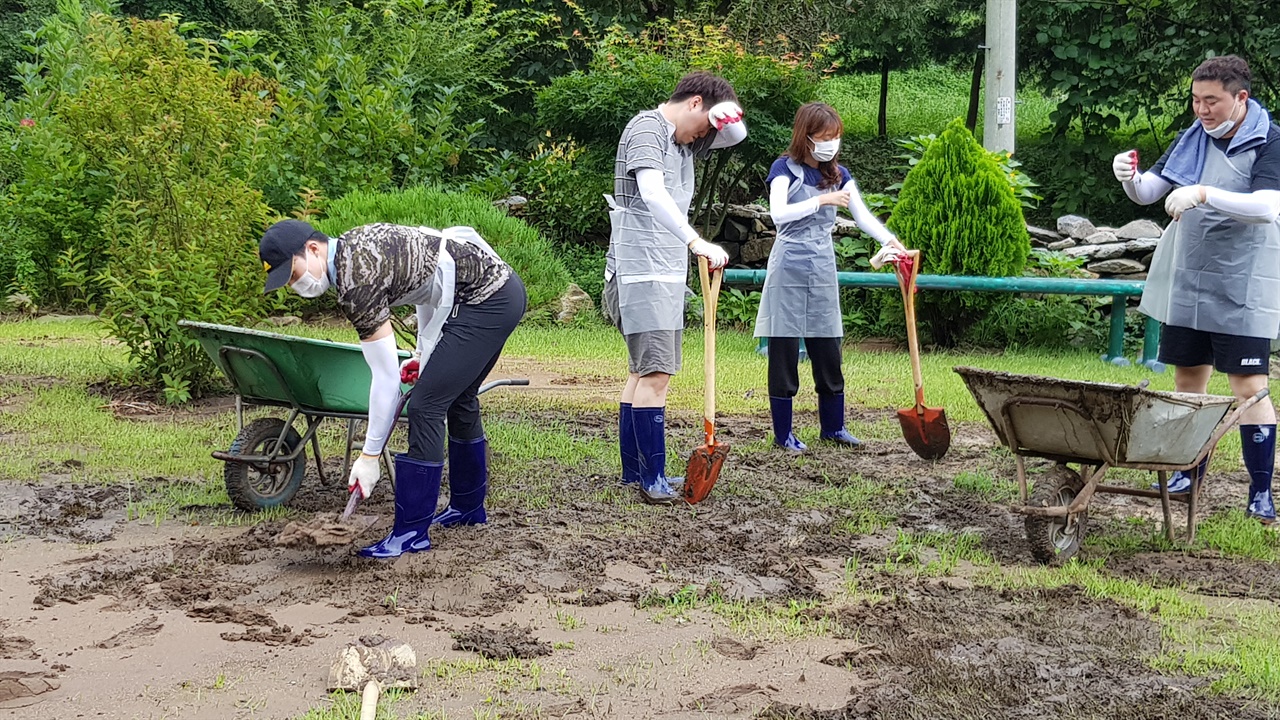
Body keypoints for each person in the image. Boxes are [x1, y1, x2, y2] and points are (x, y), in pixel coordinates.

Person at [259, 219, 527, 556]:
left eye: (294, 274)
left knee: (425, 407)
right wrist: (423, 354)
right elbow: (432, 278)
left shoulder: (355, 280)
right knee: (458, 398)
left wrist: (369, 457)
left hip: (488, 300)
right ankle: (467, 510)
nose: (295, 284)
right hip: (498, 293)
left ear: (313, 249)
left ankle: (412, 533)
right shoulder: (354, 248)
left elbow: (386, 379)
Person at [1113, 55, 1280, 524]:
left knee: (1249, 388)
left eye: (1212, 100)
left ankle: (1261, 492)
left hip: (1245, 278)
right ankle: (1187, 473)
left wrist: (1204, 193)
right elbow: (1150, 192)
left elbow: (1268, 207)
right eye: (1195, 99)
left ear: (1240, 98)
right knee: (1188, 381)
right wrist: (1129, 178)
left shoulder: (1270, 141)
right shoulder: (1192, 139)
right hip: (1191, 274)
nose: (1201, 110)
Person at [603, 71, 746, 505]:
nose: (704, 137)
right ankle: (654, 478)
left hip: (654, 271)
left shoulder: (684, 138)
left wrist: (724, 112)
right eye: (704, 124)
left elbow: (736, 136)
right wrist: (695, 239)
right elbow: (651, 191)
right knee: (657, 374)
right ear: (693, 103)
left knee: (642, 372)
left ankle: (634, 473)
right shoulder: (649, 128)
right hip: (642, 271)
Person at [755, 102, 906, 452]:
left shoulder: (839, 174)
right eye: (824, 137)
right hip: (789, 264)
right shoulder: (784, 169)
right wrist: (822, 202)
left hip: (822, 265)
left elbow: (863, 216)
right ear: (805, 137)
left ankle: (834, 427)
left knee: (828, 345)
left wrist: (890, 241)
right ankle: (784, 434)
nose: (830, 144)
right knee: (785, 347)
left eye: (835, 138)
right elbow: (778, 215)